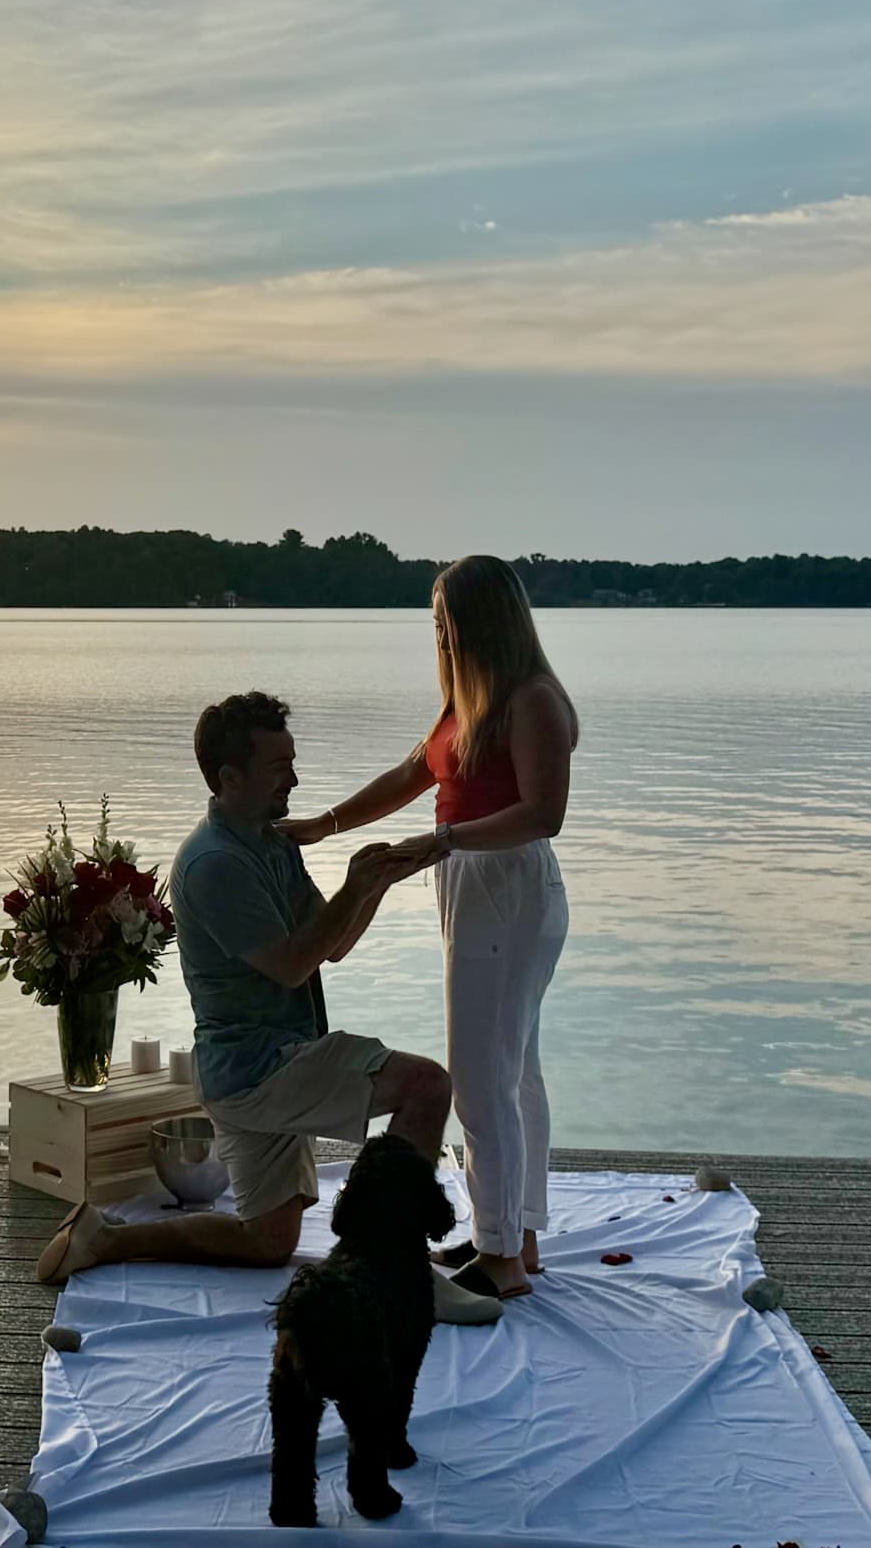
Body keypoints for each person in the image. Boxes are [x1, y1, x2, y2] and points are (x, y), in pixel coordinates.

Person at [33, 690, 503, 1326]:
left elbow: (330, 946)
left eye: (292, 761)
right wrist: (356, 884)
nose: (295, 777)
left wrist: (374, 884)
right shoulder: (214, 864)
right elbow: (290, 963)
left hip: (251, 1071)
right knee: (427, 1086)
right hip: (262, 1066)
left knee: (268, 1242)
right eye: (279, 767)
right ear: (230, 778)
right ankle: (398, 1267)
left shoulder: (271, 842)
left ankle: (109, 1237)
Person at [282, 556, 577, 1301]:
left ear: (483, 621)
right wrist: (326, 823)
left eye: (446, 621)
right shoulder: (466, 704)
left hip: (505, 884)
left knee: (482, 1079)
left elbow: (544, 815)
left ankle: (500, 1255)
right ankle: (518, 1235)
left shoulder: (533, 699)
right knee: (513, 1070)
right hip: (472, 881)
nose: (438, 634)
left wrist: (446, 841)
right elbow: (416, 770)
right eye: (434, 622)